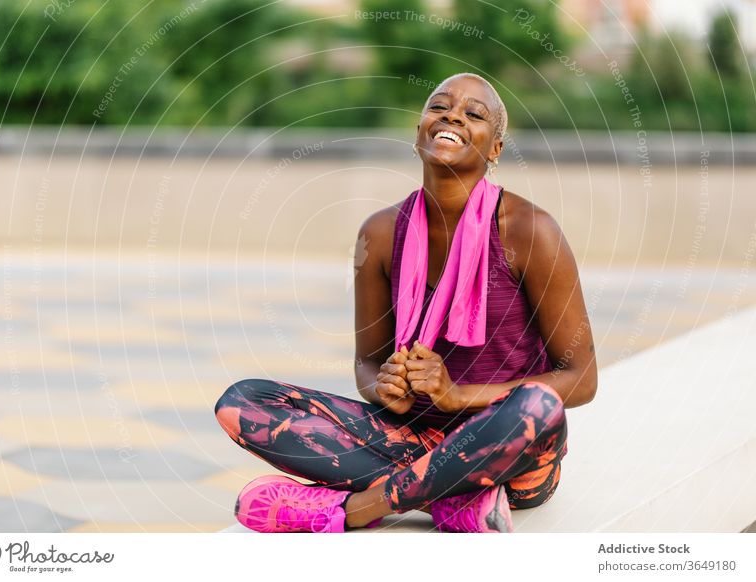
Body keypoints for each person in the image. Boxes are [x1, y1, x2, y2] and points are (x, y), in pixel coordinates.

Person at [214, 72, 597, 533]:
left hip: (508, 452)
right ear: (419, 131)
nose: (452, 114)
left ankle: (352, 510)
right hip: (410, 437)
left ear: (495, 148)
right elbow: (367, 364)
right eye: (439, 106)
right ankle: (452, 502)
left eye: (474, 114)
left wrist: (457, 396)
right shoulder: (378, 234)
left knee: (539, 404)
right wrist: (384, 388)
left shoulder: (531, 232)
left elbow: (581, 379)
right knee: (243, 403)